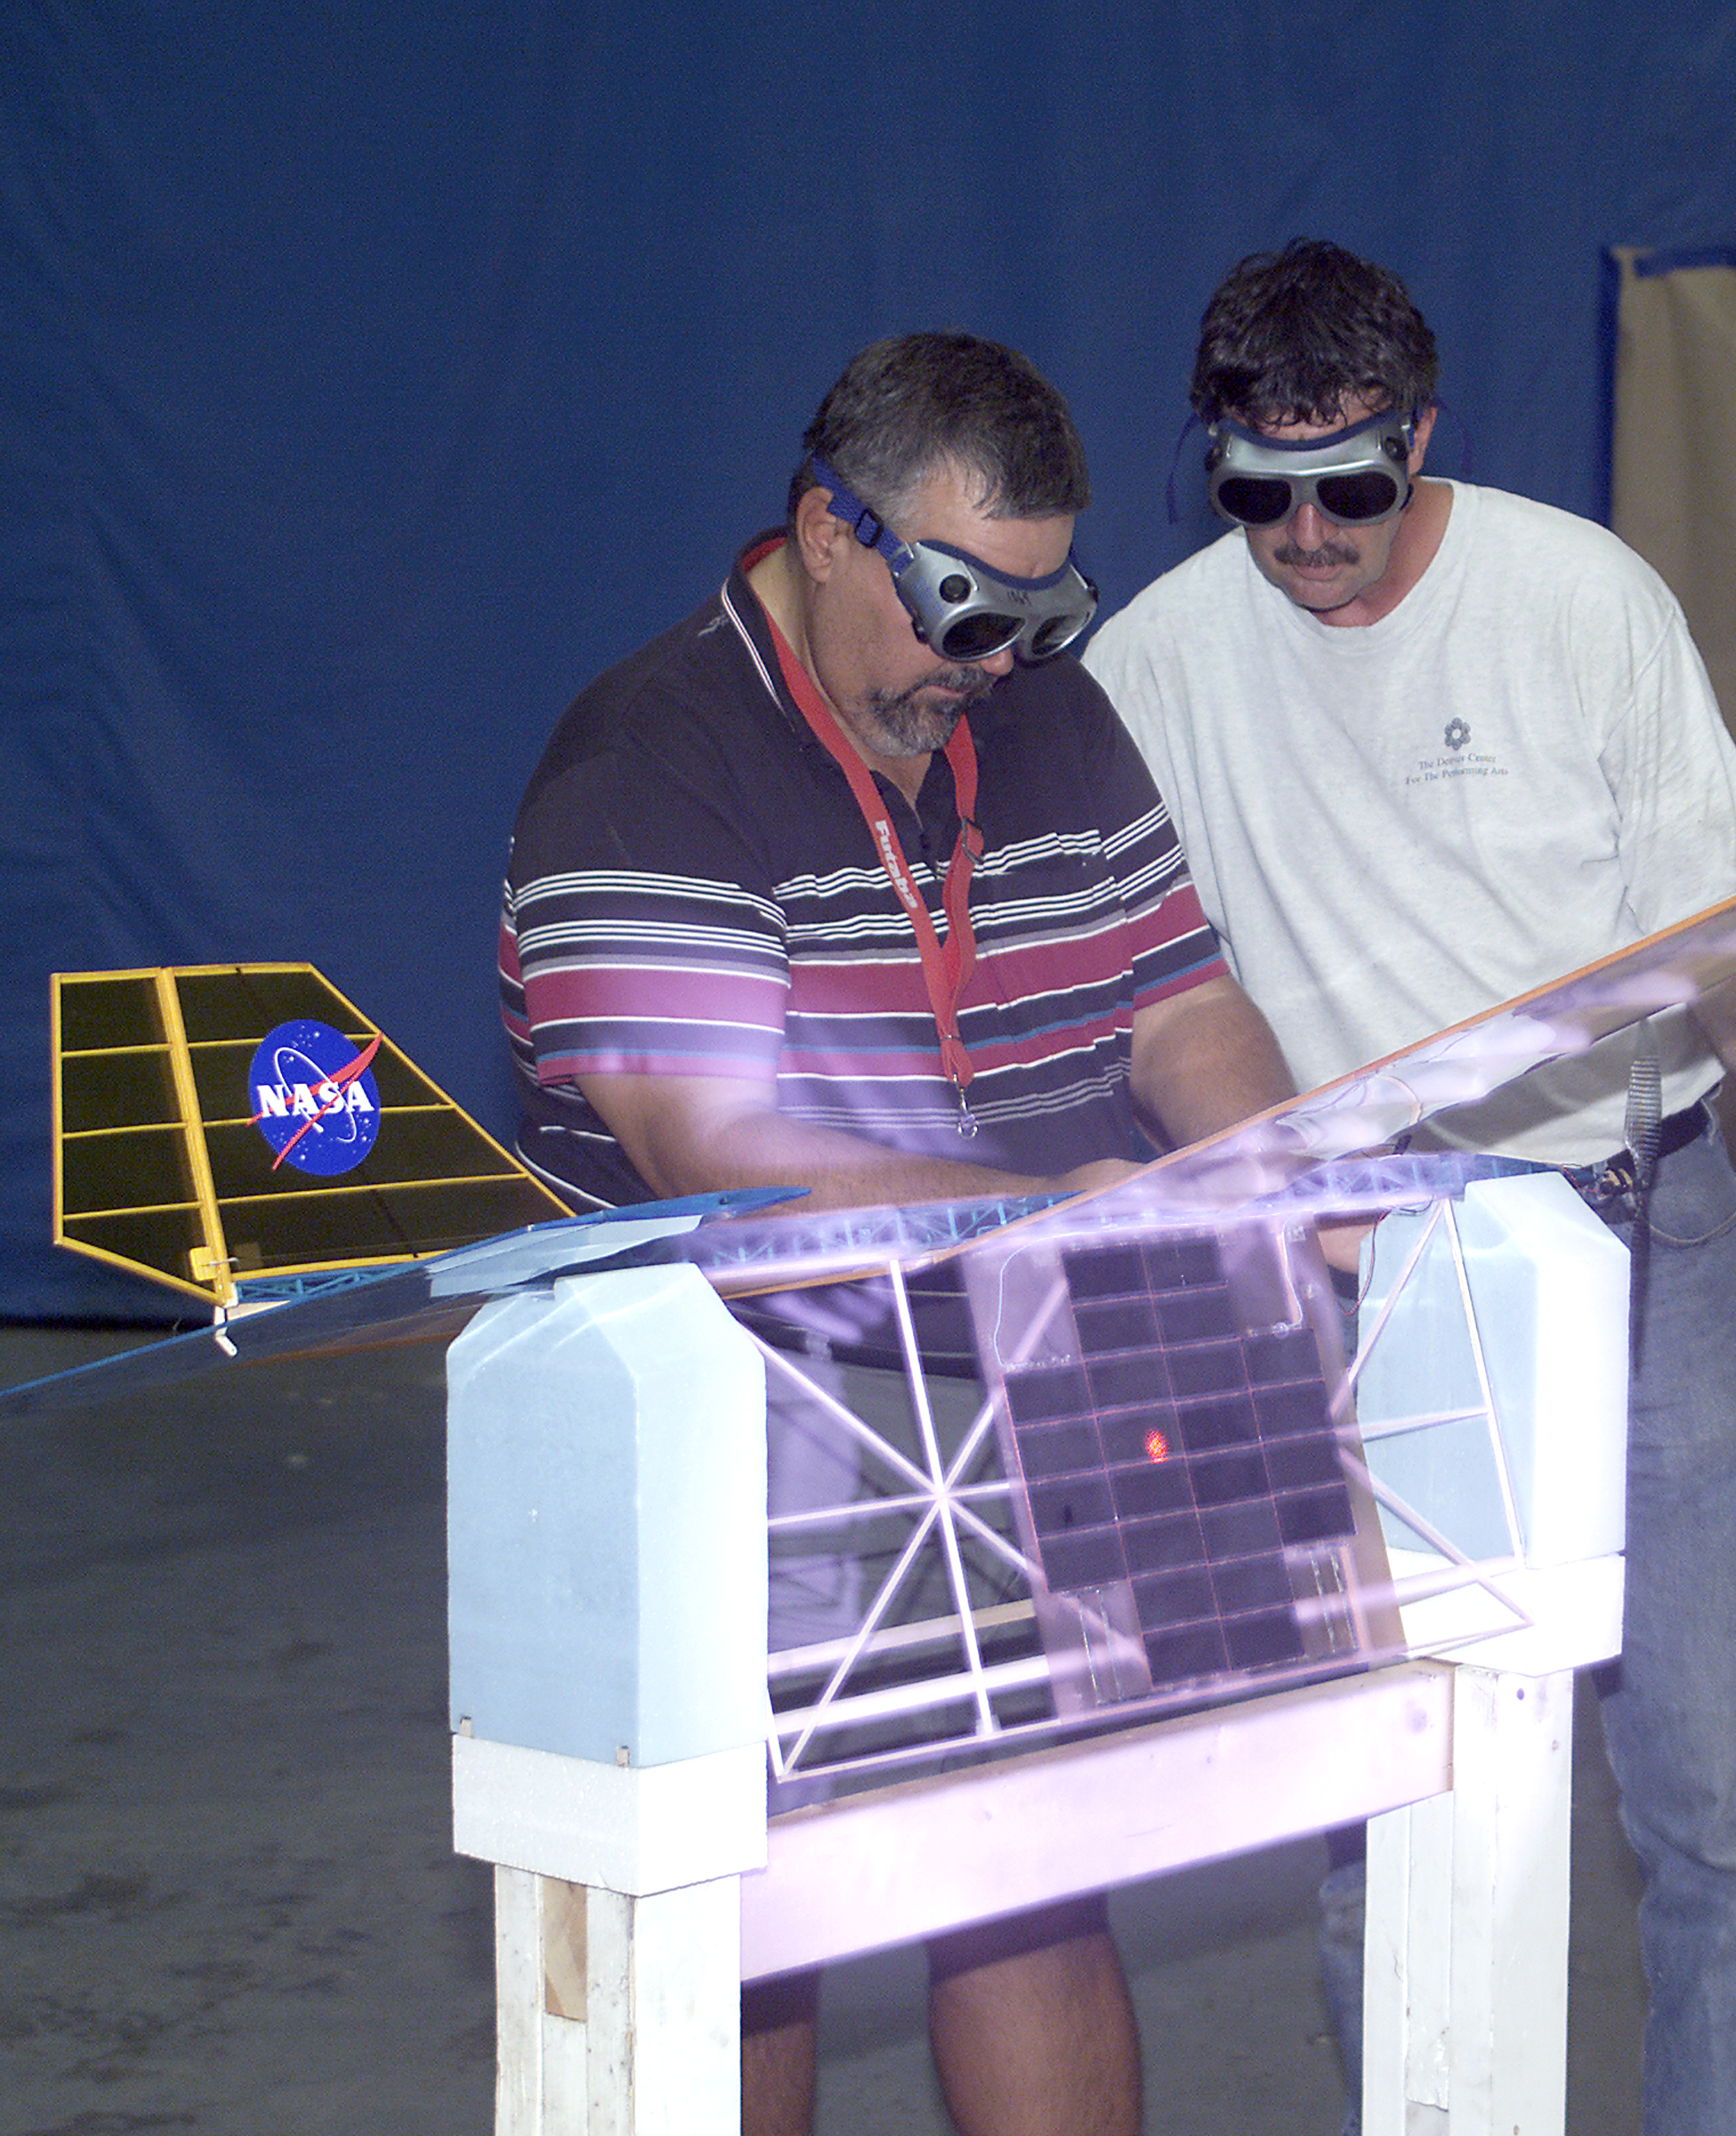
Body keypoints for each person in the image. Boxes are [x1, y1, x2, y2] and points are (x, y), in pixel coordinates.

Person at [1085, 239, 1736, 2136]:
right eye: (1263, 489)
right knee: (1392, 1810)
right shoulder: (1154, 665)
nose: (1311, 533)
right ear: (1214, 457)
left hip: (1633, 1222)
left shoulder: (1579, 603)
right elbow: (1118, 992)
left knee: (1715, 1808)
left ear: (1429, 437)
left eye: (1355, 483)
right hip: (1364, 1269)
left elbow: (1718, 922)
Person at [497, 330, 1303, 2136]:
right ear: (827, 530)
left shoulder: (1043, 715)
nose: (996, 662)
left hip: (1008, 1379)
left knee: (1029, 1863)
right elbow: (718, 1153)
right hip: (721, 1411)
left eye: (1043, 609)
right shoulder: (646, 761)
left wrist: (1273, 1177)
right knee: (739, 1900)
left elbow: (1178, 1009)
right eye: (961, 605)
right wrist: (1051, 1212)